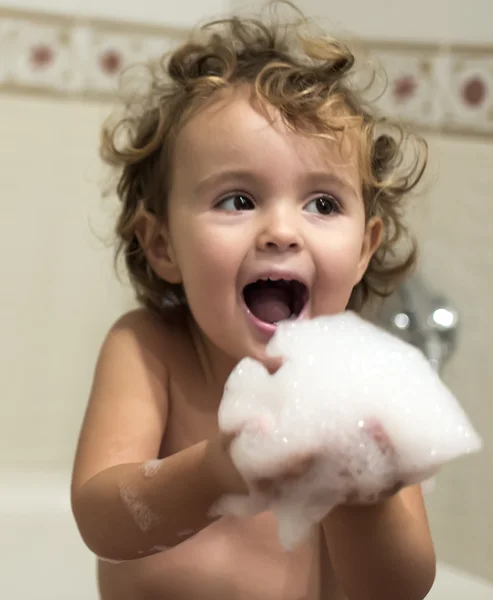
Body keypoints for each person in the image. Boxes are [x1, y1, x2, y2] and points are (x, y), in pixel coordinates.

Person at [71, 3, 436, 598]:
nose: (282, 231)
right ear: (162, 244)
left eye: (322, 203)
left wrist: (363, 497)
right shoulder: (148, 349)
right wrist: (216, 472)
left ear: (366, 246)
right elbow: (102, 517)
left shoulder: (364, 382)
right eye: (238, 200)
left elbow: (400, 588)